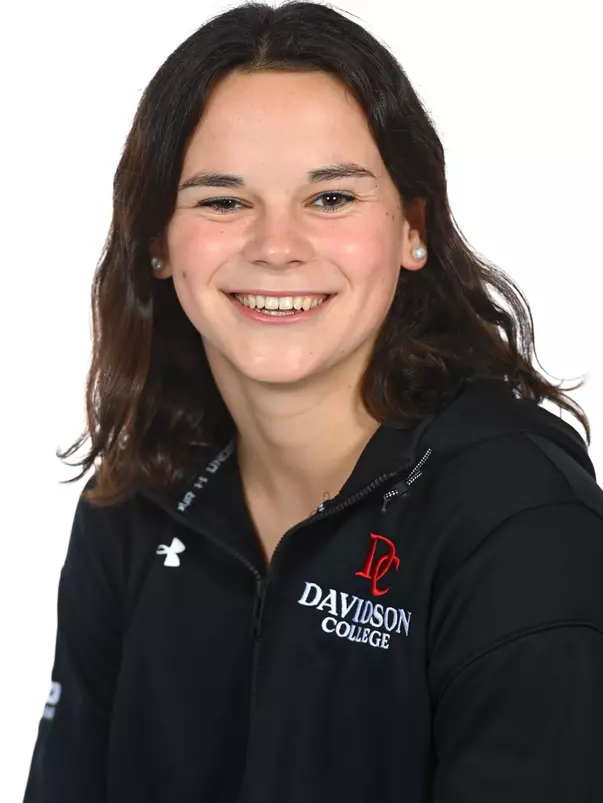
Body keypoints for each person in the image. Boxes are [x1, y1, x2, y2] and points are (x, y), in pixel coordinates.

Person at [23, 1, 603, 801]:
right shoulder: (135, 501)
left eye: (330, 198)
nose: (276, 245)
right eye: (223, 201)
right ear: (157, 241)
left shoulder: (517, 517)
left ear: (412, 229)